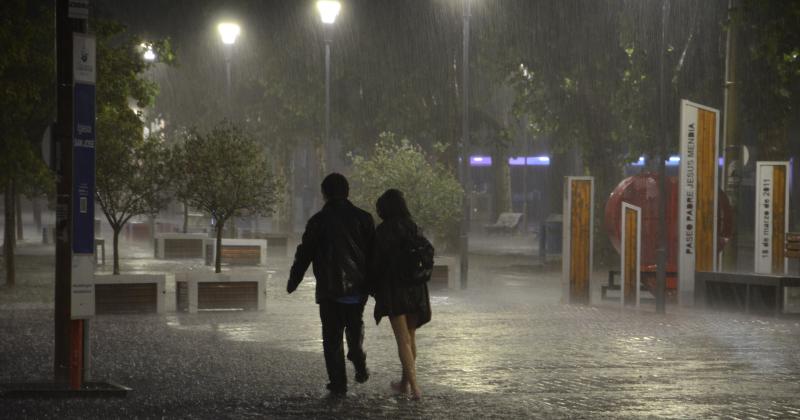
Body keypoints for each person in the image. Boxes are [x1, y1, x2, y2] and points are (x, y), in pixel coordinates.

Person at [286, 173, 375, 396]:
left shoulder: (317, 221)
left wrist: (293, 281)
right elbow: (374, 255)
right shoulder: (364, 219)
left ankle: (338, 384)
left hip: (329, 290)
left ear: (324, 194)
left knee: (332, 337)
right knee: (355, 327)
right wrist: (375, 286)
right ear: (347, 192)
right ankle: (358, 356)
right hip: (357, 289)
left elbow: (304, 253)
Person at [371, 189, 432, 399]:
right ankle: (405, 384)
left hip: (394, 290)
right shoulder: (414, 228)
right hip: (416, 288)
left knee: (403, 340)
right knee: (411, 337)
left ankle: (414, 388)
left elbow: (376, 264)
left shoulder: (382, 231)